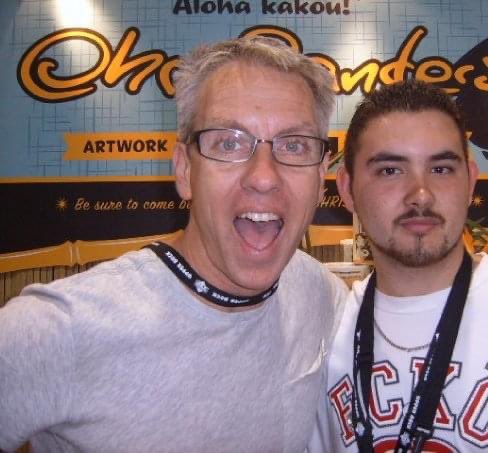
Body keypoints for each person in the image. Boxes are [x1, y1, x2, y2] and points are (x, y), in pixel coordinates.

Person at [0, 37, 347, 452]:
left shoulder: (320, 294)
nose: (264, 177)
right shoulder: (58, 330)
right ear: (184, 171)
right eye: (229, 142)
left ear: (320, 176)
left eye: (294, 146)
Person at [308, 80, 488, 452]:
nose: (420, 194)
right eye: (390, 170)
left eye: (441, 169)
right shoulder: (326, 334)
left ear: (470, 182)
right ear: (348, 190)